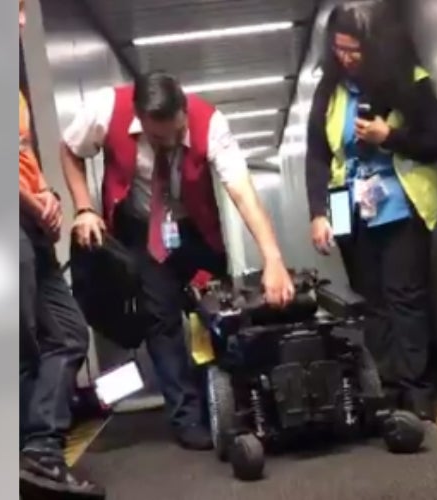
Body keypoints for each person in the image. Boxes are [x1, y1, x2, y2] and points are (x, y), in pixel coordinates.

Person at [60, 71, 296, 450]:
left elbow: (241, 190)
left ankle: (237, 403)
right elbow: (69, 149)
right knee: (162, 322)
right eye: (157, 138)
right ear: (139, 117)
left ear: (184, 110)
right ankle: (186, 418)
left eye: (176, 133)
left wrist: (273, 258)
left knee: (219, 315)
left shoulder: (211, 123)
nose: (169, 144)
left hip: (196, 229)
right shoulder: (107, 107)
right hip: (140, 231)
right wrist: (84, 208)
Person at [305, 1, 437, 421]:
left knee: (405, 296)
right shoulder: (328, 90)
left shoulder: (409, 79)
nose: (346, 58)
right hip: (347, 204)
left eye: (354, 50)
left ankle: (416, 389)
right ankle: (384, 388)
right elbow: (318, 155)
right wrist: (319, 212)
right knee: (372, 300)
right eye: (338, 49)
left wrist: (390, 136)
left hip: (400, 202)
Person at [18, 1, 104, 497]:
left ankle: (41, 453)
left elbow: (18, 155)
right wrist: (34, 204)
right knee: (22, 346)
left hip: (29, 222)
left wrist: (48, 195)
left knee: (69, 333)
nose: (24, 20)